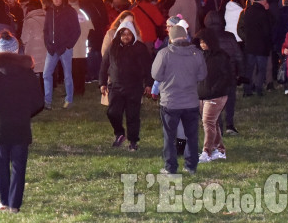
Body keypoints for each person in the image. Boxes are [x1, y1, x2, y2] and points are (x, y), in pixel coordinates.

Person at [0, 30, 44, 214]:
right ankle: (14, 204)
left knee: (2, 166)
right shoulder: (29, 74)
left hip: (0, 127)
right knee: (18, 166)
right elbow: (39, 102)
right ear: (16, 51)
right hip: (21, 125)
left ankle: (4, 201)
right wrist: (24, 113)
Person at [151, 23, 206, 174]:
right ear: (185, 36)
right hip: (191, 101)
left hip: (170, 102)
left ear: (171, 38)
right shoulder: (197, 54)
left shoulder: (164, 54)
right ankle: (191, 166)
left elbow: (156, 75)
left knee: (169, 136)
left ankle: (171, 168)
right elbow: (202, 75)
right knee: (192, 135)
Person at [99, 17, 152, 151]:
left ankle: (133, 140)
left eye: (129, 34)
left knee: (132, 115)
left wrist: (148, 83)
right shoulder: (113, 47)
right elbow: (104, 65)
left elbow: (147, 67)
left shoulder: (140, 48)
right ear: (119, 34)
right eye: (123, 34)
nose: (126, 37)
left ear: (133, 34)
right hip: (116, 86)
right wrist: (102, 83)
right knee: (112, 112)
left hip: (134, 87)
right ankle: (119, 133)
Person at [195, 27, 232, 163]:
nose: (202, 45)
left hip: (216, 95)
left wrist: (214, 90)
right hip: (202, 94)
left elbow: (226, 76)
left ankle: (207, 152)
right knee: (213, 123)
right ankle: (220, 150)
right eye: (200, 42)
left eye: (204, 42)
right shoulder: (200, 55)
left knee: (208, 122)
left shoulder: (221, 57)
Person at [43, 0, 80, 110]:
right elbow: (46, 30)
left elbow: (76, 31)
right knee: (46, 74)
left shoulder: (70, 11)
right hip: (52, 48)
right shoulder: (50, 12)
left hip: (65, 48)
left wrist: (68, 45)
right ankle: (47, 100)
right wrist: (48, 45)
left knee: (67, 74)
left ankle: (69, 99)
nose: (56, 0)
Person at [237, 0, 274, 97]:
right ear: (262, 1)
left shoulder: (247, 11)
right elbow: (267, 30)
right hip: (262, 46)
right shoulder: (264, 13)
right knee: (261, 69)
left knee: (249, 69)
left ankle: (247, 90)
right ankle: (258, 89)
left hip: (250, 45)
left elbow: (242, 27)